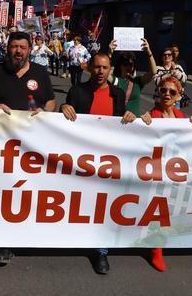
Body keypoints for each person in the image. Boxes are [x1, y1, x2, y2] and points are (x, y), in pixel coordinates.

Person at [0, 31, 56, 266]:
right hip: (2, 143)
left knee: (27, 190)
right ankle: (4, 243)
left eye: (22, 47)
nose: (18, 51)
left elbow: (51, 100)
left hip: (33, 144)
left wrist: (47, 112)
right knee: (4, 191)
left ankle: (25, 233)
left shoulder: (40, 73)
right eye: (14, 47)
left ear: (29, 49)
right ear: (7, 48)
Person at [60, 52, 137, 274]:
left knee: (103, 207)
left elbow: (124, 121)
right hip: (80, 161)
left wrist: (130, 116)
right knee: (76, 203)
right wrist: (63, 108)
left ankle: (101, 252)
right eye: (96, 67)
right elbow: (62, 123)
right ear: (89, 68)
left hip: (107, 162)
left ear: (110, 69)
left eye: (105, 67)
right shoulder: (77, 91)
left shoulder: (117, 94)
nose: (100, 72)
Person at [139, 76, 192, 272]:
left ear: (179, 96)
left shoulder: (182, 117)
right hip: (154, 170)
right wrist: (143, 121)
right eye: (164, 90)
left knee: (166, 210)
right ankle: (154, 247)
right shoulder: (152, 114)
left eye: (172, 92)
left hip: (174, 170)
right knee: (154, 209)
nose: (167, 94)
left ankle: (157, 245)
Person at [108, 38, 157, 115]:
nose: (128, 67)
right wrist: (109, 54)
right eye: (125, 64)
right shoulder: (116, 80)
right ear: (120, 66)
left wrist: (149, 52)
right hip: (118, 122)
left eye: (131, 64)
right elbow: (105, 73)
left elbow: (153, 72)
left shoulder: (137, 82)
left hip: (134, 124)